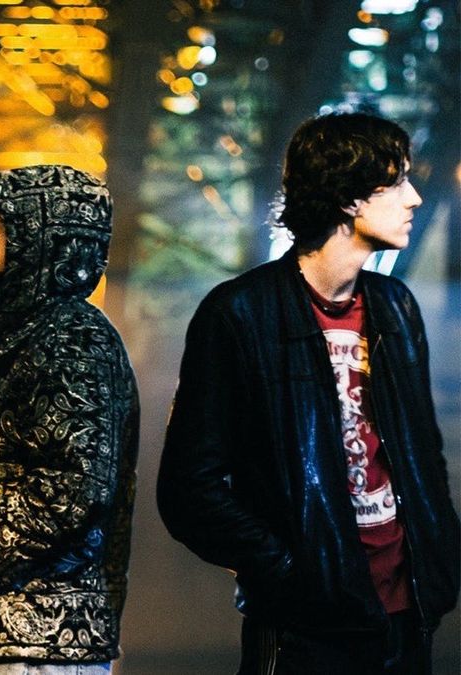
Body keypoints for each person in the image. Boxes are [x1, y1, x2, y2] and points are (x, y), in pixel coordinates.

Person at [157, 111, 460, 673]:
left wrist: (441, 557)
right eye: (396, 181)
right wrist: (290, 571)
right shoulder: (240, 313)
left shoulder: (395, 306)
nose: (414, 197)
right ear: (348, 197)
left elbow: (424, 456)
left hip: (407, 614)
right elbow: (188, 491)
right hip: (306, 630)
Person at [0, 165, 140, 674]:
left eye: (2, 222)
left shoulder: (72, 338)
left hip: (37, 644)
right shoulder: (34, 335)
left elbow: (78, 487)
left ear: (44, 238)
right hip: (14, 636)